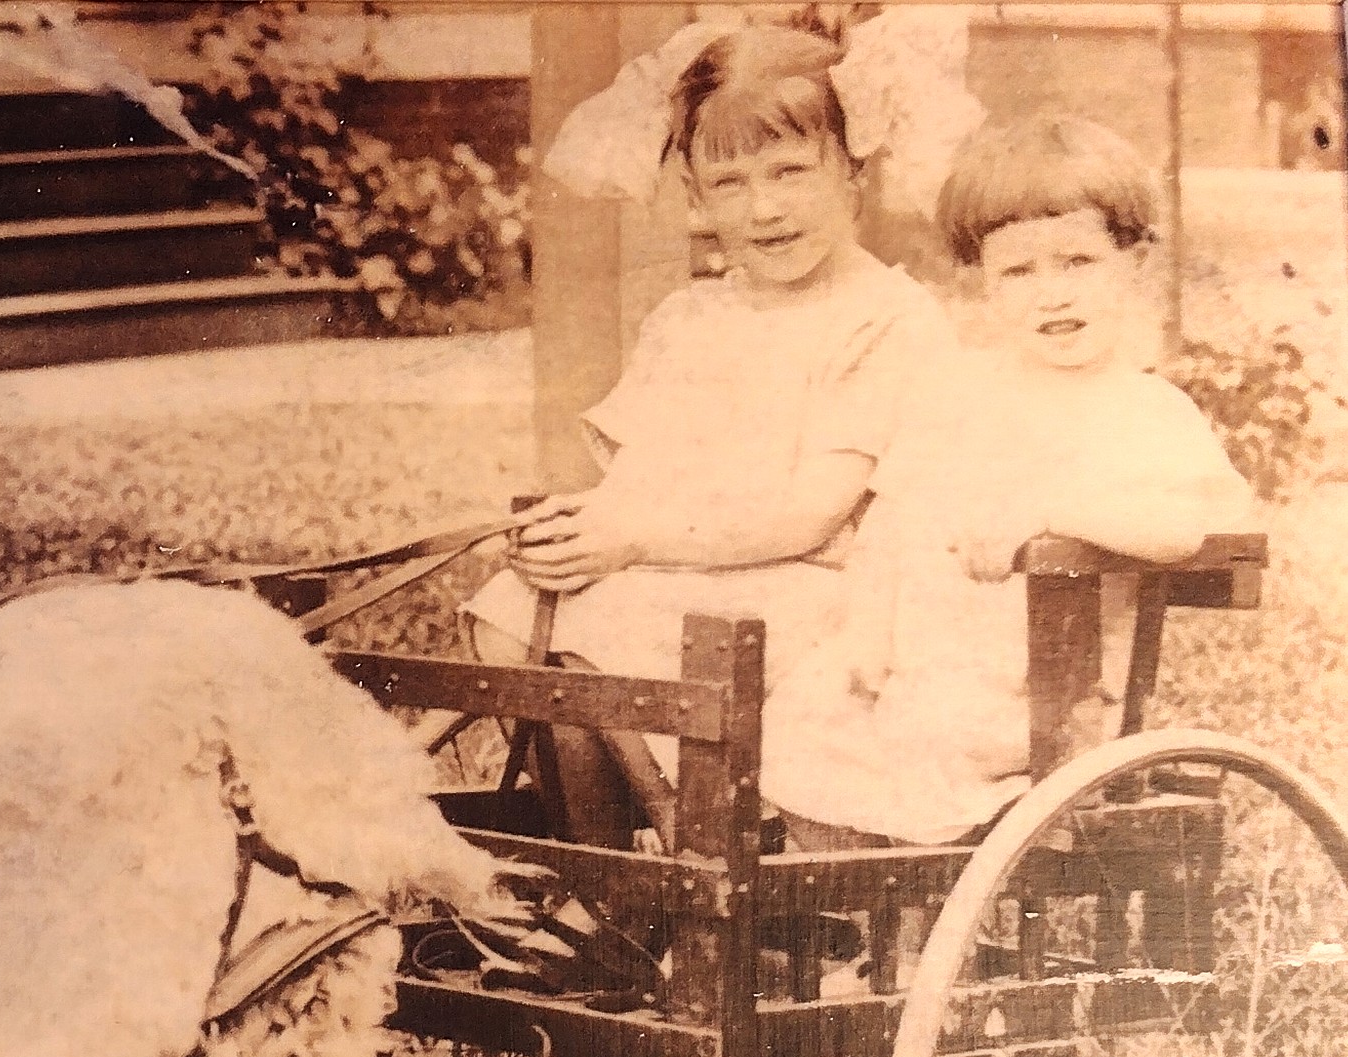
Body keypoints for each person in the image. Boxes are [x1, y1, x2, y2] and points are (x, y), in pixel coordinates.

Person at [464, 24, 953, 846]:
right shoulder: (688, 319)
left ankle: (684, 852)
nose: (763, 208)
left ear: (852, 170)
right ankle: (603, 856)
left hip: (818, 592)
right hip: (689, 571)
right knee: (513, 613)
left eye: (789, 172)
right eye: (729, 183)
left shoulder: (883, 319)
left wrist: (632, 542)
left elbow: (810, 514)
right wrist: (575, 532)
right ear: (693, 192)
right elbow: (636, 486)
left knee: (605, 640)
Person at [760, 114, 1255, 849]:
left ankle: (918, 927)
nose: (1049, 294)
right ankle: (878, 920)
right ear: (979, 282)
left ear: (1135, 260)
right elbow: (890, 525)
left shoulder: (1144, 411)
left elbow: (1182, 527)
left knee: (926, 736)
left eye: (1076, 262)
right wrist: (866, 633)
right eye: (1017, 272)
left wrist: (1049, 512)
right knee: (799, 714)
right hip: (926, 675)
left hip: (1048, 703)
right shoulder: (958, 396)